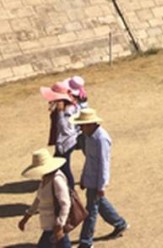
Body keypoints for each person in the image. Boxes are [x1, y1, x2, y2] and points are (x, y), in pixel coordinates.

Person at [73, 108, 128, 247]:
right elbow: (89, 160)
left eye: (82, 125)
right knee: (100, 204)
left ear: (91, 124)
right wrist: (83, 177)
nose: (80, 128)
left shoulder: (101, 139)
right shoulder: (89, 137)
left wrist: (101, 185)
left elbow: (104, 163)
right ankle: (120, 223)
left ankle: (86, 242)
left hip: (96, 181)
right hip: (91, 180)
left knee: (91, 212)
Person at [17, 149, 72, 248]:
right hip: (49, 226)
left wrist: (60, 224)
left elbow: (65, 203)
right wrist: (27, 216)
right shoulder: (45, 179)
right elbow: (38, 199)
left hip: (54, 225)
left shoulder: (57, 179)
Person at [41, 82, 78, 189]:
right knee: (60, 167)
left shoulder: (68, 110)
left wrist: (60, 112)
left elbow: (66, 129)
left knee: (64, 168)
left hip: (66, 143)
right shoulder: (66, 107)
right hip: (63, 142)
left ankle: (70, 191)